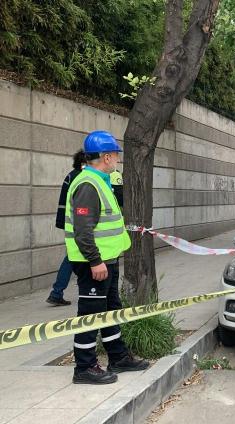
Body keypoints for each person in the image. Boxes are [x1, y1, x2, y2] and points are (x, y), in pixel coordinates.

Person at [66, 130, 149, 384]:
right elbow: (83, 230)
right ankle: (84, 367)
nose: (118, 160)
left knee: (110, 310)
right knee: (90, 314)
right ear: (106, 156)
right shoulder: (88, 184)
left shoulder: (100, 180)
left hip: (106, 261)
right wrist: (95, 261)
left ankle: (117, 356)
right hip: (93, 264)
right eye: (116, 155)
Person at [46, 150, 87, 306]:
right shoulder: (81, 177)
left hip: (69, 221)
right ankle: (57, 292)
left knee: (74, 255)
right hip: (76, 223)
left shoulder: (72, 174)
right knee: (72, 256)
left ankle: (58, 292)